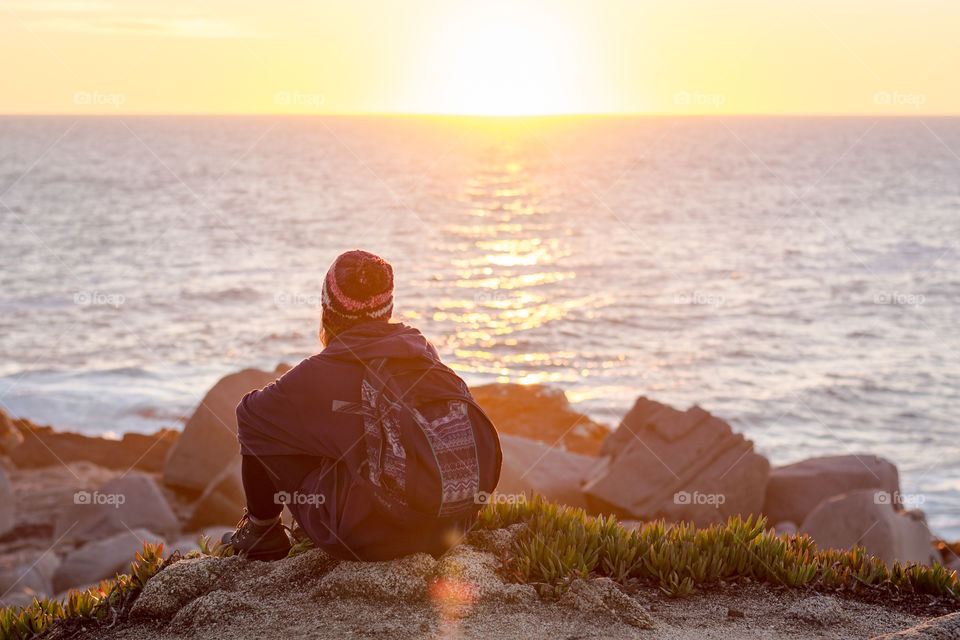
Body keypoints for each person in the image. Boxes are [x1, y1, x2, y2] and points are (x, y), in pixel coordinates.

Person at [221, 250, 502, 561]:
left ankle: (263, 532)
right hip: (450, 526)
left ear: (327, 310)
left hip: (374, 538)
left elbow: (249, 415)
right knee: (348, 429)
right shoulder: (420, 349)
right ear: (389, 308)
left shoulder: (319, 372)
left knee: (266, 424)